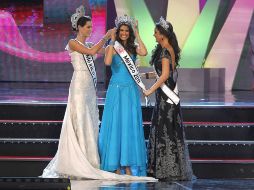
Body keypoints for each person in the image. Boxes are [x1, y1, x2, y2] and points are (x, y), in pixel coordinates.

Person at [41, 6, 156, 181]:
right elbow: (95, 53)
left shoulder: (89, 44)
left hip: (89, 89)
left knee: (90, 121)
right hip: (79, 86)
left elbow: (107, 52)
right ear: (78, 27)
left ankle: (88, 159)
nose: (90, 29)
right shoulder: (73, 43)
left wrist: (124, 38)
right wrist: (108, 37)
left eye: (90, 27)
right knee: (79, 119)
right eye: (88, 27)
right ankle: (77, 160)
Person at [143, 17, 194, 181]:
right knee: (167, 131)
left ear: (163, 34)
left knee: (166, 132)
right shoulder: (166, 48)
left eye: (156, 33)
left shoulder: (165, 51)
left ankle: (167, 170)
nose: (154, 35)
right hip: (165, 97)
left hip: (166, 98)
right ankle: (168, 168)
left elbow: (164, 76)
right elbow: (160, 73)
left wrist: (150, 89)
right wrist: (142, 75)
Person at [99, 15, 148, 176]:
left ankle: (127, 165)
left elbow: (144, 51)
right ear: (118, 32)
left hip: (130, 90)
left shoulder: (134, 47)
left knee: (128, 126)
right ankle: (115, 165)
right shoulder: (111, 47)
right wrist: (112, 40)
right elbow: (107, 62)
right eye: (122, 31)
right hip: (116, 90)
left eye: (127, 30)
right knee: (116, 126)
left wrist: (138, 33)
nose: (124, 33)